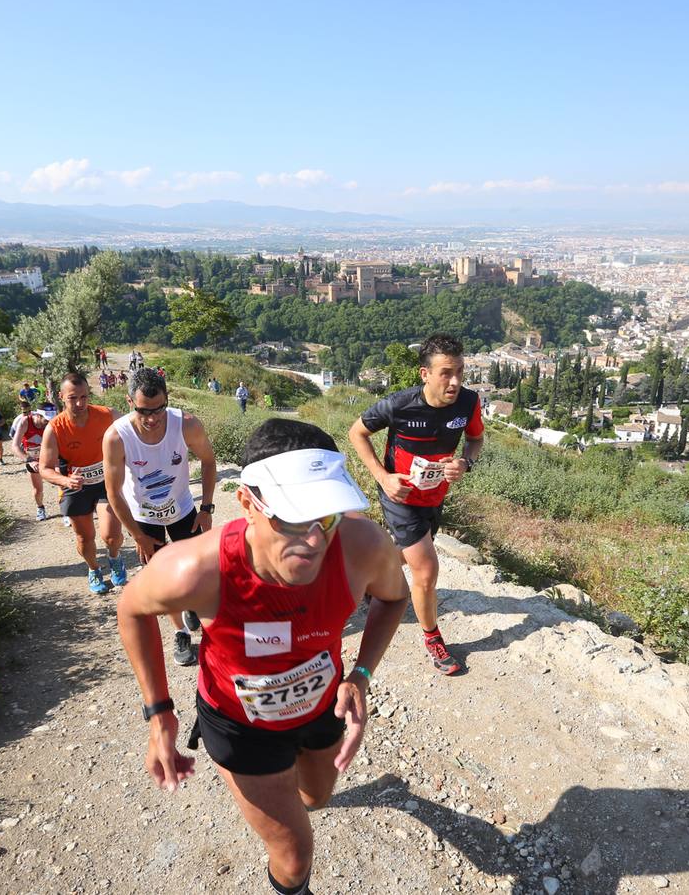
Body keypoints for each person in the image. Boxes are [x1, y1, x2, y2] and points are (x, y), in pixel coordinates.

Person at [115, 419, 409, 895]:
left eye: (327, 516)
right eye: (293, 518)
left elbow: (395, 598)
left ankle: (286, 790)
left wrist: (361, 673)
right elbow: (131, 609)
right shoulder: (195, 570)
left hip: (320, 708)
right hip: (240, 726)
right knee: (295, 855)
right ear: (248, 504)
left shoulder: (364, 548)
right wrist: (158, 713)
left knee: (316, 797)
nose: (314, 540)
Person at [348, 333, 483, 676]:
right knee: (425, 569)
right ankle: (433, 639)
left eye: (460, 372)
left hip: (434, 496)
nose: (455, 381)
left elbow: (475, 438)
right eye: (446, 373)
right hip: (400, 497)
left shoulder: (468, 402)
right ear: (425, 374)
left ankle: (365, 574)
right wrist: (383, 477)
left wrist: (466, 463)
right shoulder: (399, 404)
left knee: (409, 554)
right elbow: (356, 433)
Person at [103, 368, 218, 667]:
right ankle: (180, 632)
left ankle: (195, 609)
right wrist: (136, 535)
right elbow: (113, 492)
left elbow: (208, 460)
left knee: (197, 570)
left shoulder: (187, 424)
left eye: (159, 409)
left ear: (167, 399)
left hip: (182, 509)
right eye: (143, 411)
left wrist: (206, 508)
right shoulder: (117, 437)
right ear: (129, 401)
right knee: (163, 577)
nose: (152, 418)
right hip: (143, 517)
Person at [38, 373, 128, 594]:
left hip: (106, 482)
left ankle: (115, 559)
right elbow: (44, 469)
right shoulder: (55, 428)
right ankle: (93, 569)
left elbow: (134, 427)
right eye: (72, 398)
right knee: (85, 537)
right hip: (76, 486)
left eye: (84, 397)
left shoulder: (107, 415)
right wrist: (65, 480)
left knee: (111, 535)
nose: (79, 403)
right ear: (60, 396)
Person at [12, 407, 51, 521]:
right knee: (38, 490)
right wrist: (29, 460)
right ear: (38, 415)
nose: (48, 422)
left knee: (63, 484)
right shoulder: (25, 422)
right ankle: (40, 508)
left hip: (49, 457)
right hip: (32, 459)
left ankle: (66, 512)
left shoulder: (52, 422)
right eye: (46, 419)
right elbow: (14, 446)